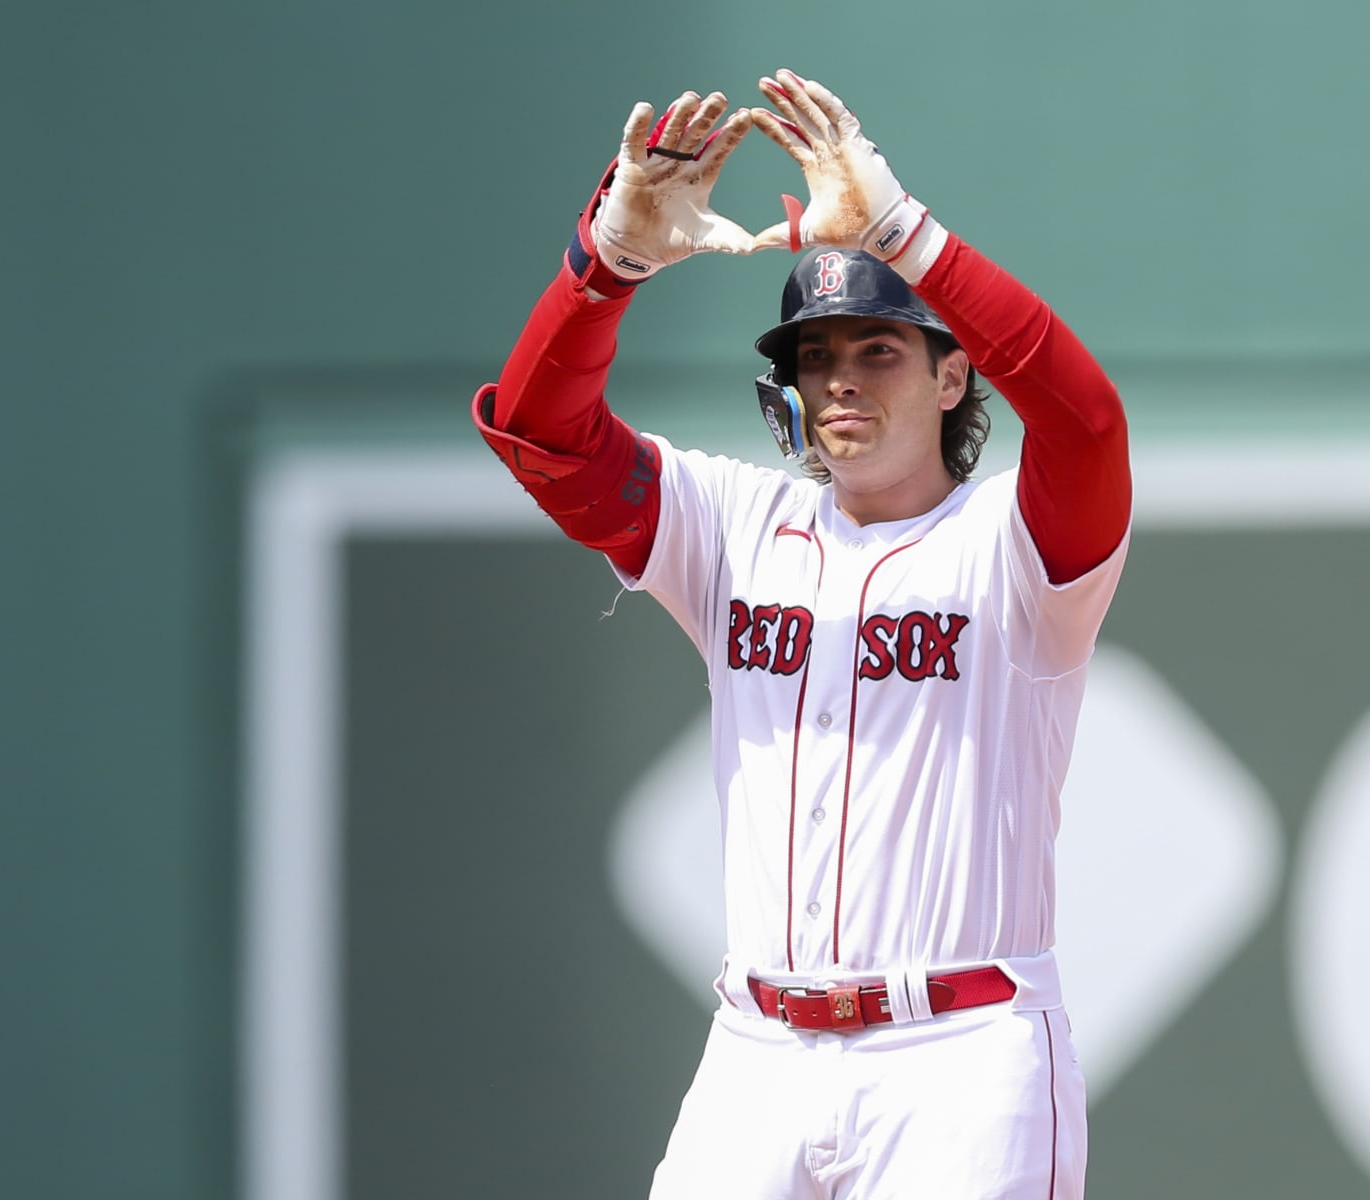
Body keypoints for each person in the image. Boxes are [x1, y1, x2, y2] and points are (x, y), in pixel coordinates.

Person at [473, 69, 1131, 1200]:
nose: (840, 379)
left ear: (952, 374)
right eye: (816, 356)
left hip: (959, 1058)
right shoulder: (733, 523)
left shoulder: (1015, 547)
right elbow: (541, 430)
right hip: (758, 1050)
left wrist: (905, 237)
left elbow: (1087, 419)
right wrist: (605, 267)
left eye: (879, 350)